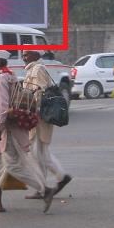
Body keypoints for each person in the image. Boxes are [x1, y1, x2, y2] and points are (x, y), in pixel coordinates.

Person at [0, 50, 57, 214]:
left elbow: (3, 106)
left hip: (5, 129)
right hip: (11, 127)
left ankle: (44, 190)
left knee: (12, 166)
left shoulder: (1, 79)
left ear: (0, 62)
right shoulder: (10, 76)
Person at [21, 48, 72, 200]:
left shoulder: (38, 69)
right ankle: (42, 188)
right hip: (37, 116)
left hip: (39, 117)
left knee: (38, 153)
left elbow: (40, 92)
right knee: (39, 152)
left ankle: (61, 177)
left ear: (36, 55)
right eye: (23, 54)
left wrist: (32, 112)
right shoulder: (33, 69)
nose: (24, 57)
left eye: (26, 54)